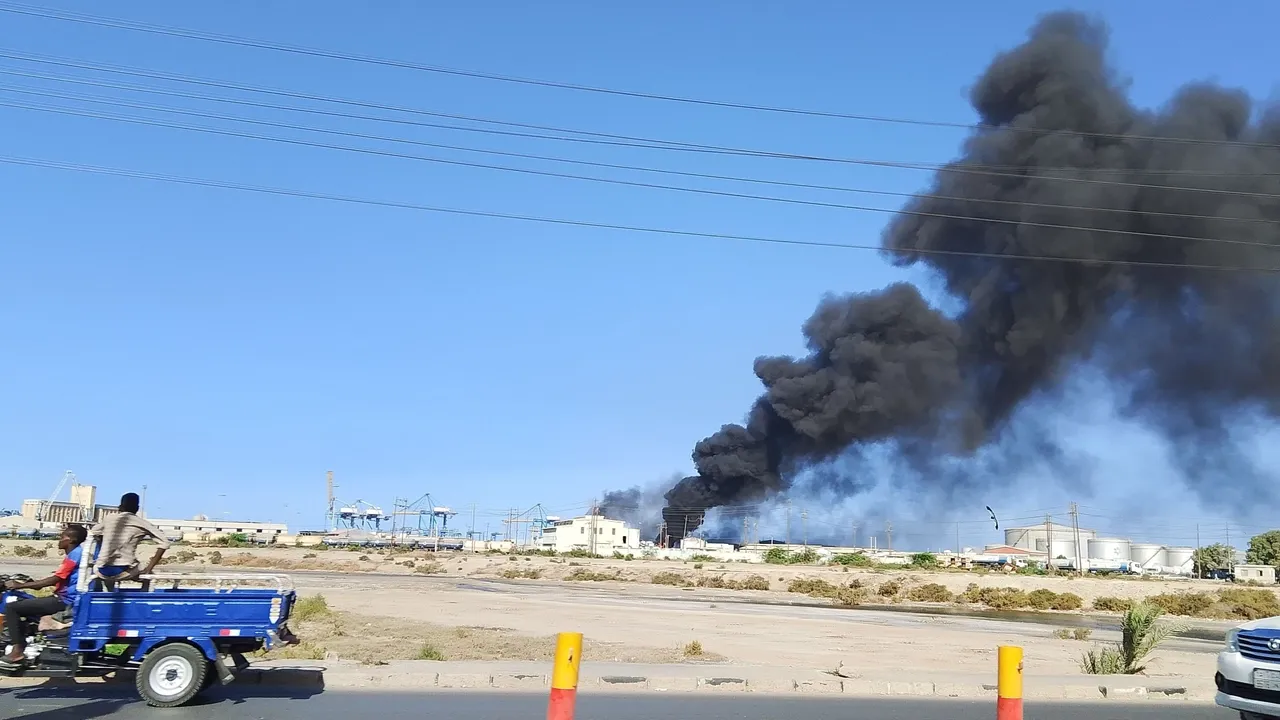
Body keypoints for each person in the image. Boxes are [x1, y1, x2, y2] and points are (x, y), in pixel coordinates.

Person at [0, 525, 87, 668]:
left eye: (62, 537)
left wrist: (19, 586)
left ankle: (17, 651)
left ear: (72, 539)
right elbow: (60, 578)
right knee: (28, 603)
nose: (59, 540)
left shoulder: (75, 555)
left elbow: (55, 579)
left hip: (65, 601)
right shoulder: (76, 554)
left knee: (12, 608)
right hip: (64, 597)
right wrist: (34, 584)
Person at [90, 492, 171, 589]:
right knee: (147, 574)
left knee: (101, 546)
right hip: (123, 571)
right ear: (137, 508)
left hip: (100, 570)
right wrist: (149, 568)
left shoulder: (109, 518)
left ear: (120, 507)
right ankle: (142, 598)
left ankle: (109, 592)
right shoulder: (141, 523)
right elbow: (165, 542)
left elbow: (94, 532)